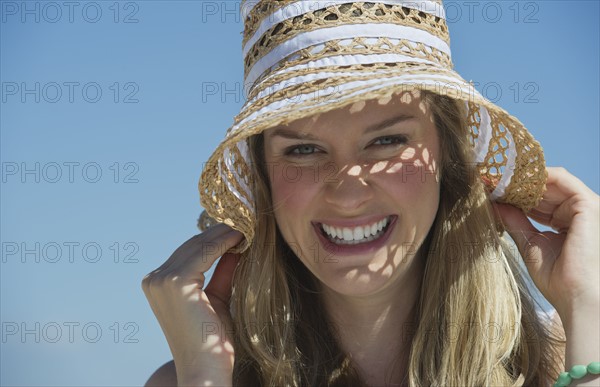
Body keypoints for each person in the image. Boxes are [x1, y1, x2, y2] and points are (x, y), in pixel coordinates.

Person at [142, 1, 600, 385]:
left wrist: (586, 305)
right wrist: (204, 369)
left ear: (449, 157)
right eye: (303, 149)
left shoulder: (565, 360)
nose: (347, 193)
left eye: (386, 140)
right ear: (262, 178)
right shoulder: (193, 376)